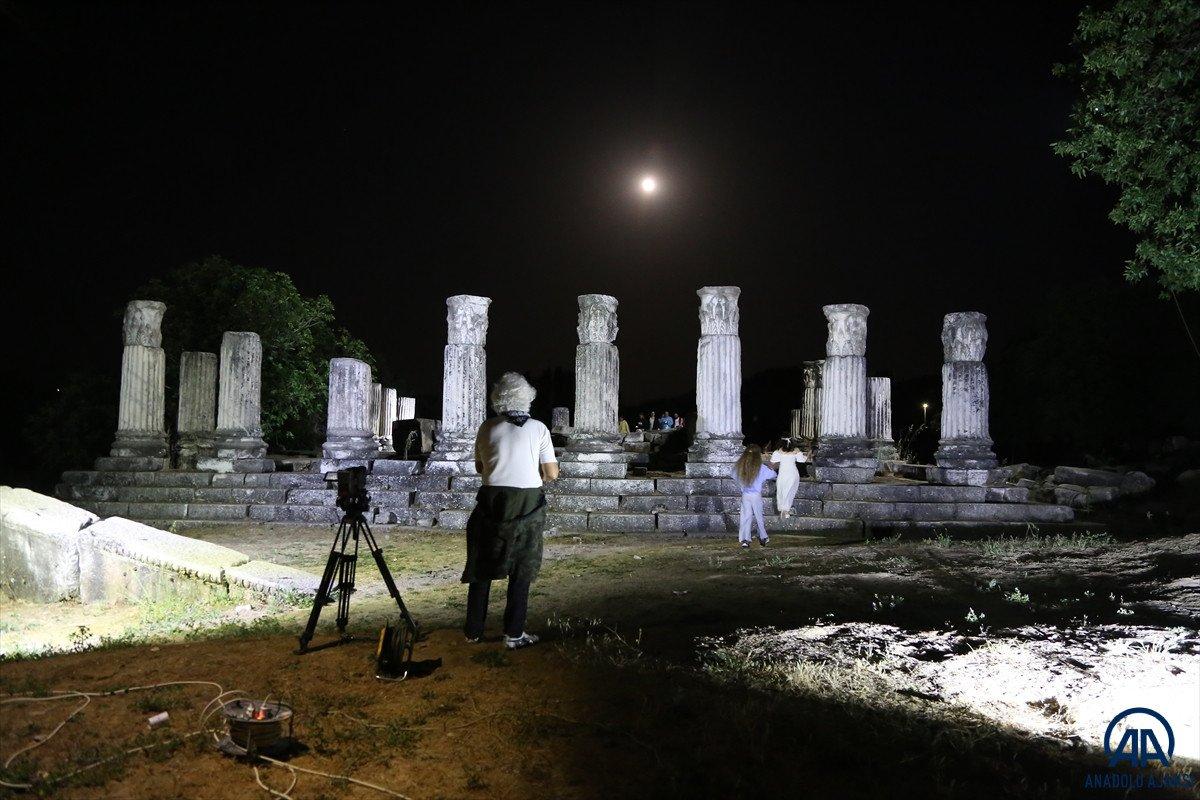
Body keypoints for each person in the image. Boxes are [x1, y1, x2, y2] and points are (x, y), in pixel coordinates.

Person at [462, 372, 559, 650]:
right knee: (522, 566)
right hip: (528, 501)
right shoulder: (539, 428)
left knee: (482, 565)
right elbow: (551, 473)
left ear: (498, 400)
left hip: (493, 500)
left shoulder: (487, 427)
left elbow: (480, 468)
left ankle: (474, 630)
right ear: (527, 398)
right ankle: (514, 633)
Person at [732, 444, 774, 548]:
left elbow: (733, 475)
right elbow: (773, 474)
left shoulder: (740, 467)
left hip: (745, 494)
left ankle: (745, 540)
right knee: (759, 516)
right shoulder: (761, 468)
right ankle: (763, 537)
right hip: (756, 495)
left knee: (746, 517)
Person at [770, 437, 807, 519]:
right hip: (793, 473)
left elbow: (772, 462)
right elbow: (802, 460)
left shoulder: (777, 452)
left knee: (781, 490)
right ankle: (786, 510)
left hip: (783, 473)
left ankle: (783, 509)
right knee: (790, 491)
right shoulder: (796, 451)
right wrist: (800, 453)